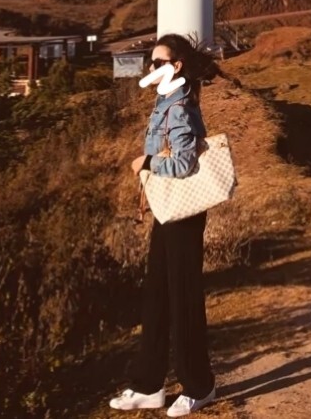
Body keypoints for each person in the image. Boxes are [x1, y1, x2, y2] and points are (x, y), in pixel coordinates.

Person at [110, 34, 218, 415]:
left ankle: (199, 385)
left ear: (176, 67)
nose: (150, 69)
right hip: (166, 208)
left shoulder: (180, 108)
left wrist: (148, 163)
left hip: (183, 213)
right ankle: (149, 385)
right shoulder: (165, 103)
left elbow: (184, 164)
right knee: (157, 293)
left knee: (183, 297)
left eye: (158, 63)